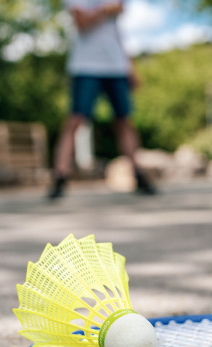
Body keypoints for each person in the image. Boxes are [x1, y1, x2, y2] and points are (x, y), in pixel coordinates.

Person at [48, 0, 156, 199]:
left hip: (116, 66)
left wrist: (129, 66)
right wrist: (107, 9)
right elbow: (81, 22)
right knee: (75, 120)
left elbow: (118, 34)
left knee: (125, 120)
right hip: (86, 66)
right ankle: (60, 176)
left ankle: (138, 173)